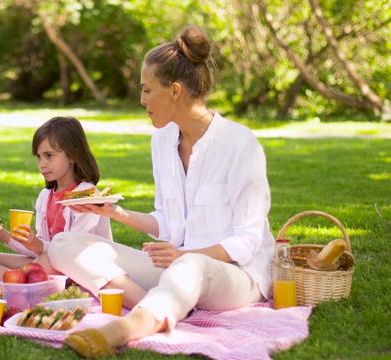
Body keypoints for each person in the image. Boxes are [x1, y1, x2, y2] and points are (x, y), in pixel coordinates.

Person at [48, 25, 275, 358]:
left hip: (238, 276)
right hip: (177, 269)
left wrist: (183, 256)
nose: (141, 100)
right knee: (63, 244)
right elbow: (168, 223)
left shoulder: (240, 144)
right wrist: (114, 212)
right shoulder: (163, 141)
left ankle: (124, 328)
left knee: (191, 267)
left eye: (146, 90)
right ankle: (162, 304)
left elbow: (247, 241)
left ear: (175, 91)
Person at [0, 116, 113, 284]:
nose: (42, 164)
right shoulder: (45, 196)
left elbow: (73, 249)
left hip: (83, 266)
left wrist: (39, 247)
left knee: (41, 264)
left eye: (49, 155)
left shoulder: (87, 195)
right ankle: (23, 284)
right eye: (38, 156)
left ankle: (22, 285)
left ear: (72, 155)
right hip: (50, 261)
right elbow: (38, 248)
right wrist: (4, 236)